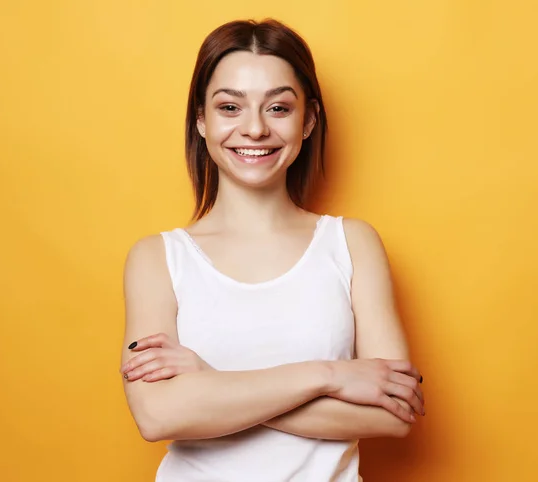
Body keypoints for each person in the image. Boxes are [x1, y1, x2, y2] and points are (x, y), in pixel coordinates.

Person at [119, 18, 425, 482]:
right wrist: (330, 376)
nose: (255, 129)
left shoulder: (352, 244)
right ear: (201, 120)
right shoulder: (156, 258)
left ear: (309, 120)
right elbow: (158, 416)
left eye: (279, 108)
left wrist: (211, 384)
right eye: (230, 107)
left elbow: (394, 413)